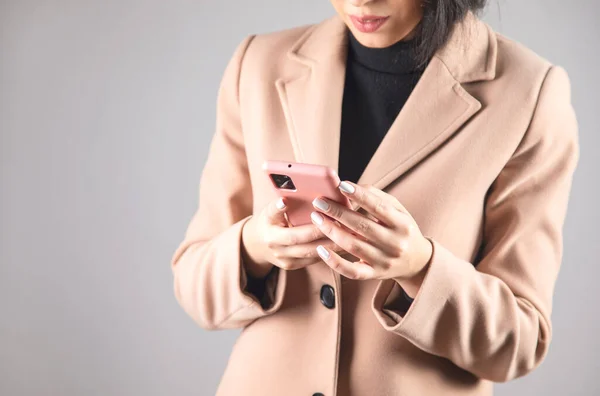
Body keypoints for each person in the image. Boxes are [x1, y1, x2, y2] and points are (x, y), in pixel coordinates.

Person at [170, 0, 580, 395]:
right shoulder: (258, 63)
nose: (361, 1)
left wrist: (420, 267)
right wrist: (254, 246)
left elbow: (520, 344)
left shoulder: (529, 92)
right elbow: (194, 286)